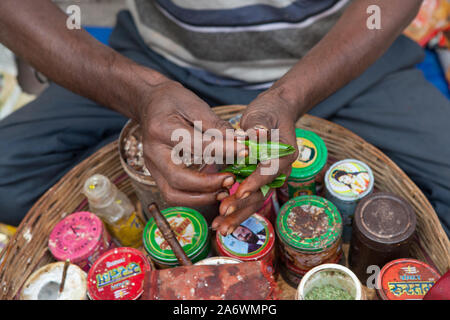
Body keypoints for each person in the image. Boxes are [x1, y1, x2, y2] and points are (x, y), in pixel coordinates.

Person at [0, 1, 449, 238]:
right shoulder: (149, 81)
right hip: (159, 64)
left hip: (339, 61)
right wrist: (142, 94)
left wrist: (291, 96)